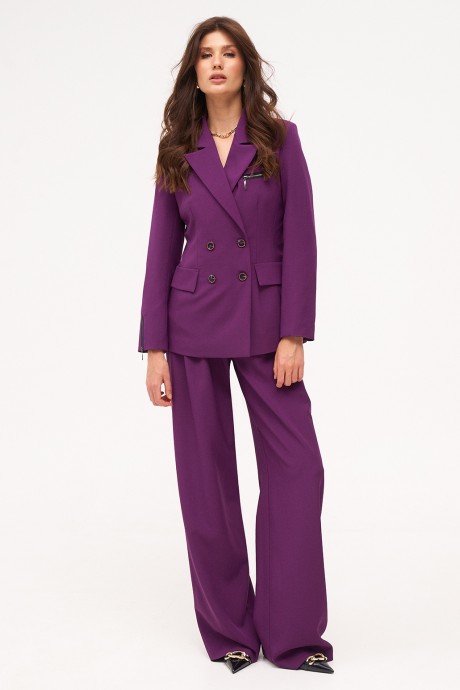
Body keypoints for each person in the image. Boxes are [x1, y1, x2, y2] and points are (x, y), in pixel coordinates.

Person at [137, 16, 334, 675]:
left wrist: (293, 333)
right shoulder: (177, 148)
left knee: (298, 470)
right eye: (205, 54)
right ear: (194, 72)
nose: (217, 63)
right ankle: (230, 634)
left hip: (265, 324)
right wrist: (154, 347)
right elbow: (161, 248)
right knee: (206, 478)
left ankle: (293, 634)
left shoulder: (279, 139)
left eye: (228, 53)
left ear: (246, 65)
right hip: (191, 323)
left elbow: (300, 238)